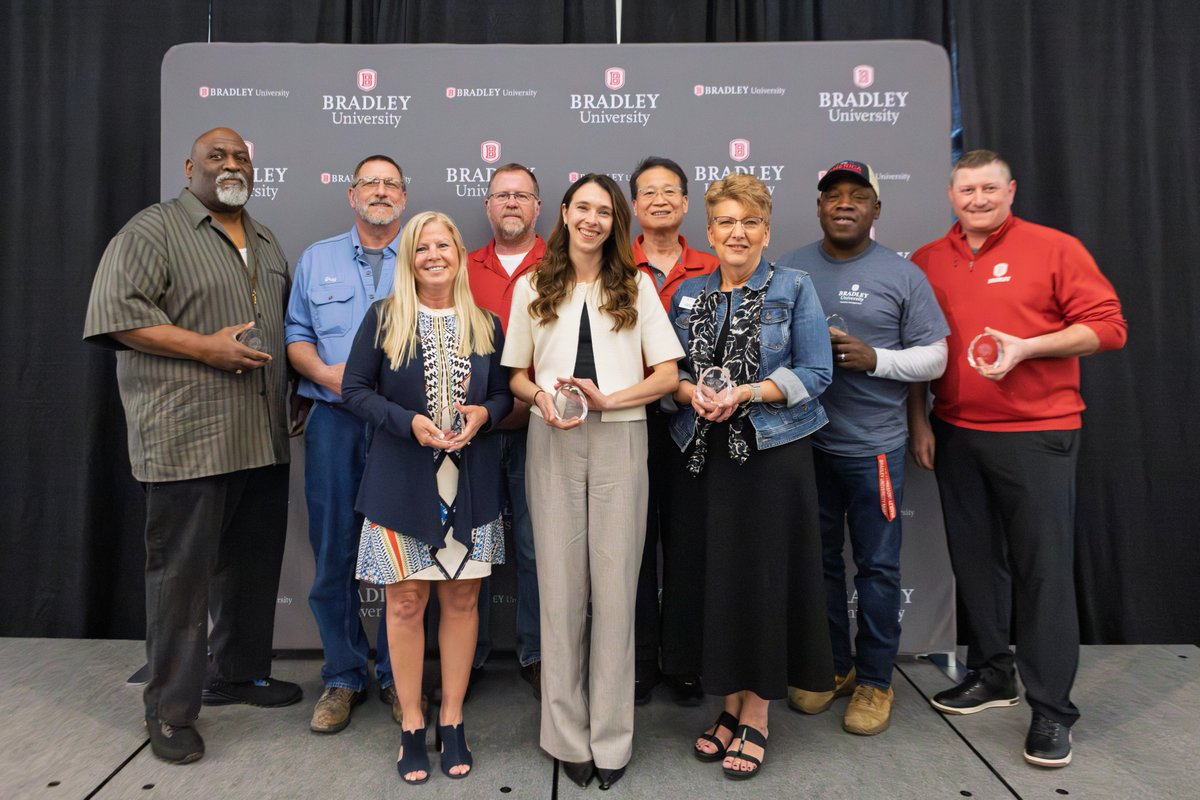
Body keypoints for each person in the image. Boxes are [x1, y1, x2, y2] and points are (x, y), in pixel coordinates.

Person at [82, 127, 301, 764]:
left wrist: (295, 389)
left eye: (240, 157)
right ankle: (171, 710)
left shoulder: (265, 238)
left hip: (260, 434)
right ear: (190, 167)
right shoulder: (153, 230)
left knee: (251, 567)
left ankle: (238, 673)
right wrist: (205, 348)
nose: (231, 165)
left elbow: (281, 325)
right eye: (217, 156)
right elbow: (116, 314)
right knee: (181, 580)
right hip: (190, 438)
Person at [908, 149, 1127, 767]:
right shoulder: (928, 259)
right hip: (955, 432)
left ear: (1010, 191)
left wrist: (1028, 347)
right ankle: (992, 673)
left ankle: (1052, 709)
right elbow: (921, 348)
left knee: (1042, 572)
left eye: (988, 189)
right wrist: (920, 421)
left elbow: (1109, 327)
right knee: (976, 563)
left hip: (1038, 434)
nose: (977, 199)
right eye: (966, 190)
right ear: (951, 195)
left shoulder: (1055, 248)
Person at [502, 174, 683, 790]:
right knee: (558, 594)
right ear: (563, 212)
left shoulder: (636, 285)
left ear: (615, 222)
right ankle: (565, 736)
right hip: (551, 438)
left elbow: (667, 375)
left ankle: (612, 738)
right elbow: (515, 375)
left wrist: (611, 400)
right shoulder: (532, 283)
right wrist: (540, 401)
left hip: (621, 439)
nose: (592, 219)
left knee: (615, 594)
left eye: (604, 211)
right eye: (583, 207)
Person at [669, 174, 834, 781]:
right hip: (700, 456)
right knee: (718, 580)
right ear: (709, 232)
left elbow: (816, 372)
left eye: (750, 222)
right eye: (726, 222)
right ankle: (729, 703)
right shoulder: (687, 293)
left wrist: (747, 393)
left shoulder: (795, 287)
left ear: (767, 231)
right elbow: (668, 373)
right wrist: (689, 394)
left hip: (771, 456)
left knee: (762, 580)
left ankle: (757, 712)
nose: (737, 233)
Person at [776, 160, 949, 735]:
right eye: (833, 195)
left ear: (877, 208)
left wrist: (877, 360)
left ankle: (876, 680)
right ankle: (833, 667)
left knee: (877, 567)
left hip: (873, 448)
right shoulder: (791, 267)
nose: (844, 203)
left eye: (857, 195)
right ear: (819, 207)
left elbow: (936, 356)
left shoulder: (902, 273)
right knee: (819, 561)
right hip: (806, 442)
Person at [341, 211, 511, 783]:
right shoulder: (384, 318)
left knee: (462, 602)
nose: (434, 255)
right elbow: (354, 389)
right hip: (401, 482)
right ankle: (412, 721)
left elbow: (505, 396)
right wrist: (406, 422)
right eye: (422, 247)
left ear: (459, 254)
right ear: (409, 260)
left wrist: (485, 413)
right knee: (406, 603)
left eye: (443, 245)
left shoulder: (485, 323)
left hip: (470, 484)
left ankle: (453, 718)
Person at [285, 155, 406, 733]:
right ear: (351, 195)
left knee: (405, 556)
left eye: (391, 184)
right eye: (370, 183)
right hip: (335, 422)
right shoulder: (317, 259)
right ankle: (343, 674)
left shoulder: (424, 255)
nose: (380, 191)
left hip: (401, 429)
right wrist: (335, 378)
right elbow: (297, 337)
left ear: (403, 197)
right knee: (334, 551)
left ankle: (400, 676)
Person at [628, 156, 718, 706]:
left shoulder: (715, 265)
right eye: (648, 192)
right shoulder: (615, 265)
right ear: (634, 206)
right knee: (633, 546)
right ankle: (639, 661)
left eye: (670, 192)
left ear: (686, 203)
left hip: (695, 425)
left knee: (689, 544)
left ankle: (685, 661)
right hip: (627, 422)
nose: (659, 200)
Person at [465, 163, 546, 699]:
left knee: (537, 547)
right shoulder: (461, 266)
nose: (511, 203)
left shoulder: (562, 264)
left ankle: (537, 653)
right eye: (502, 195)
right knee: (471, 546)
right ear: (488, 205)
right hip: (475, 431)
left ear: (538, 206)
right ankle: (465, 656)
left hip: (542, 427)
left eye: (522, 195)